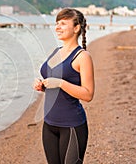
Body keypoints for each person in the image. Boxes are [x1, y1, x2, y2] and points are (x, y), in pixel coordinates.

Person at [33, 8, 95, 164]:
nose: (57, 27)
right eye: (57, 23)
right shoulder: (56, 51)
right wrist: (43, 86)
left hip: (71, 125)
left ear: (76, 28)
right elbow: (53, 83)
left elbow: (88, 95)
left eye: (63, 23)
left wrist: (60, 83)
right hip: (49, 125)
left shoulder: (82, 57)